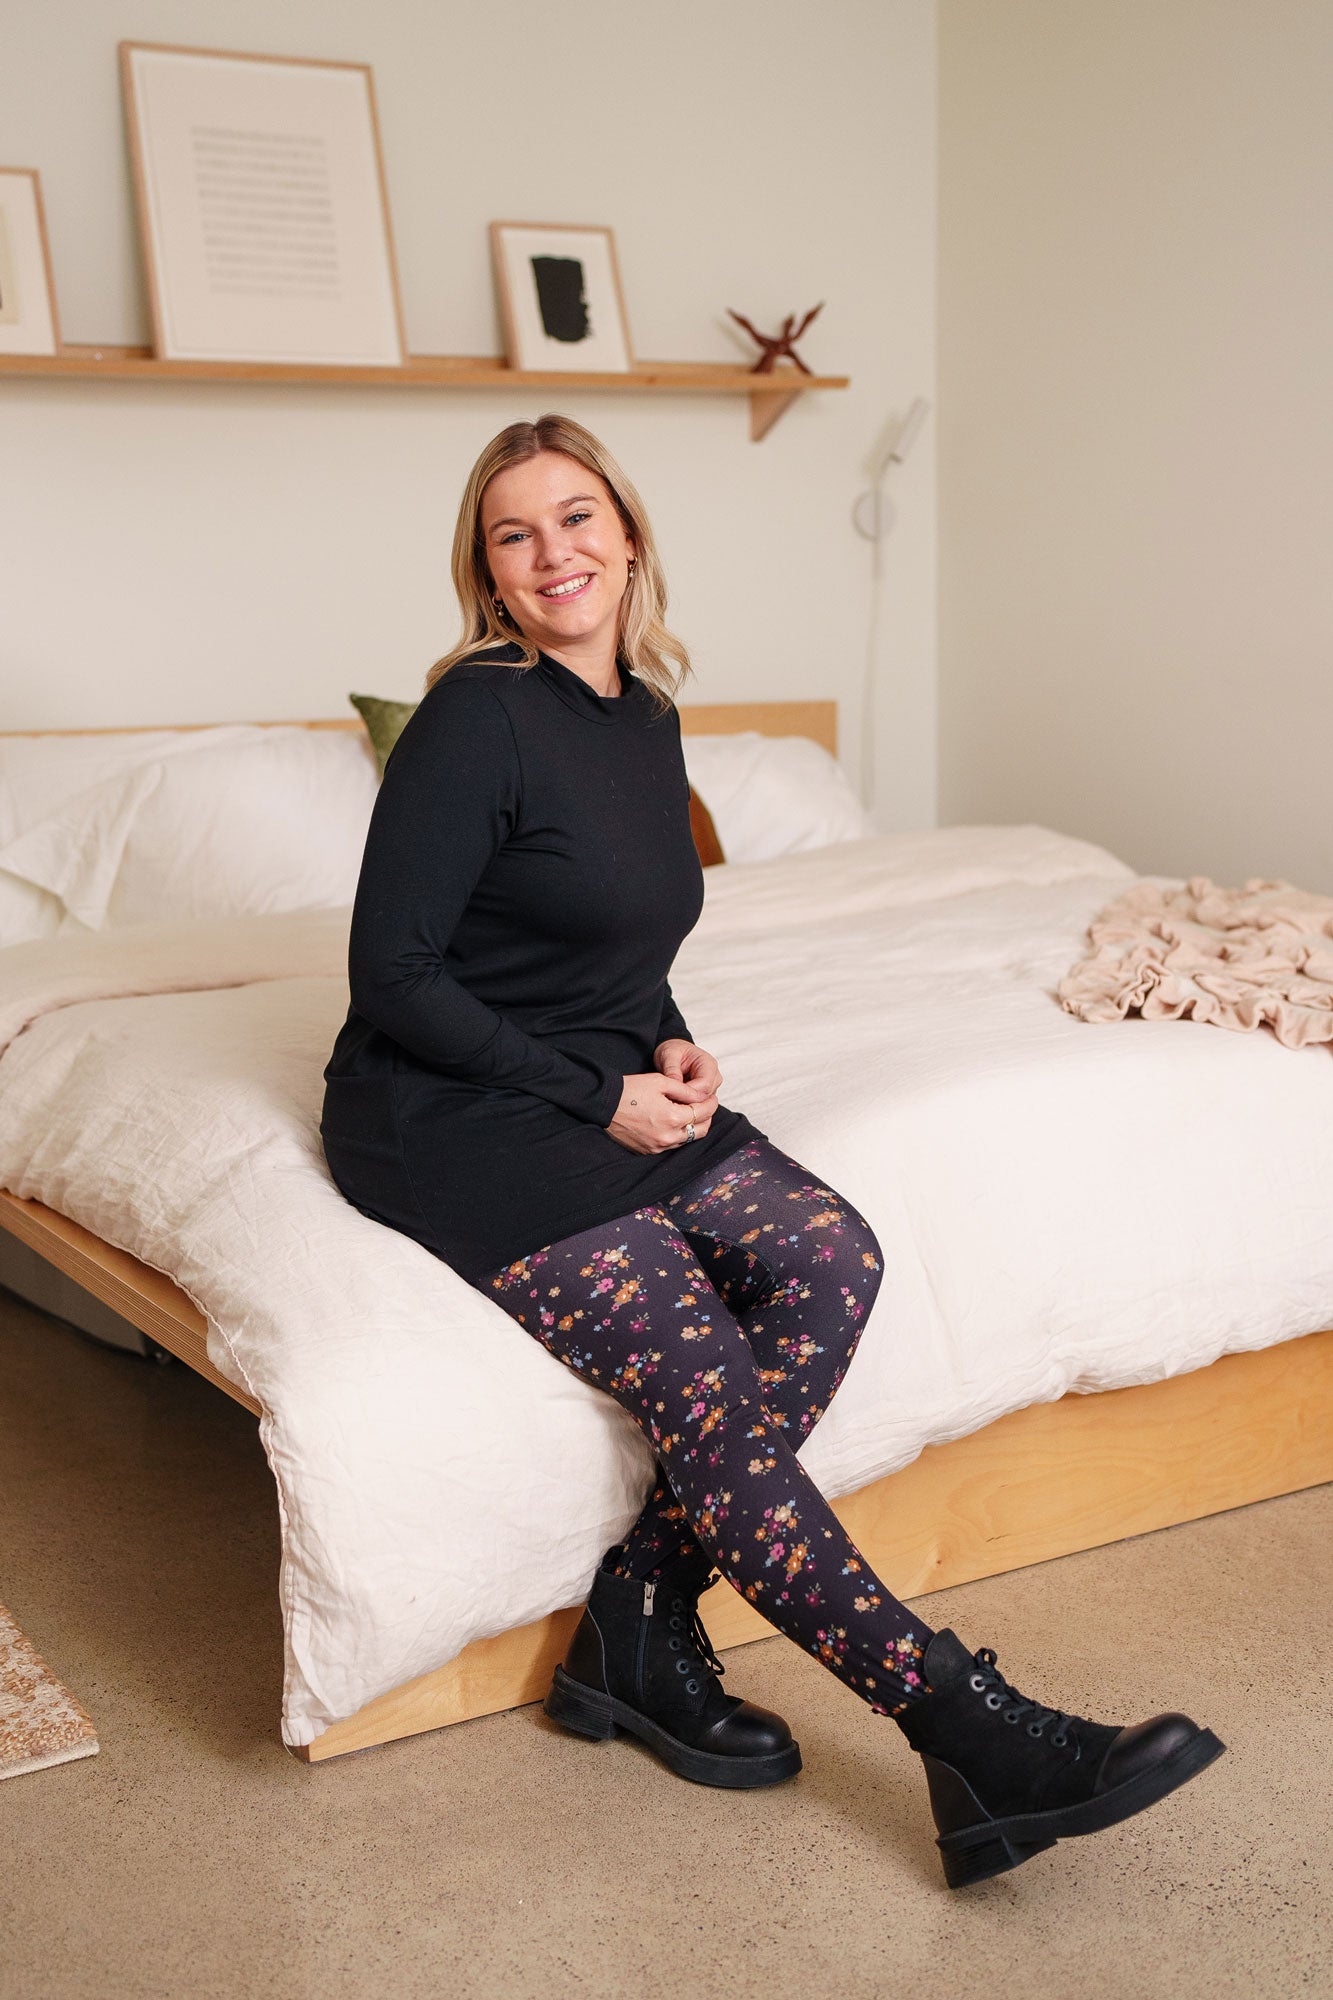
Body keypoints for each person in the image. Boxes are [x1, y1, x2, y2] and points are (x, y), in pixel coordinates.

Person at [321, 414, 1224, 1888]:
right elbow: (394, 977)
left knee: (830, 1252)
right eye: (514, 532)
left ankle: (636, 1622)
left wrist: (666, 1044)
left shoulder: (645, 719)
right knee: (705, 1374)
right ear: (484, 573)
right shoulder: (472, 717)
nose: (554, 552)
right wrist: (595, 1095)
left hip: (600, 1082)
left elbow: (615, 946)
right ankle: (968, 1734)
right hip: (456, 1120)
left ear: (626, 534)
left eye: (576, 518)